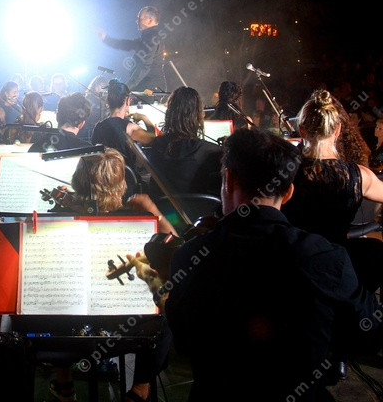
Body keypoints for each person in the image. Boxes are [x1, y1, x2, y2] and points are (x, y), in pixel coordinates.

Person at [129, 127, 383, 401]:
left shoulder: (190, 255)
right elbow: (368, 333)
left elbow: (185, 342)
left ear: (228, 180)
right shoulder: (325, 257)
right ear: (288, 193)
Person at [48, 147, 177, 402]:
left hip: (67, 333)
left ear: (77, 181)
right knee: (166, 308)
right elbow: (178, 248)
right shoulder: (139, 217)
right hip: (127, 328)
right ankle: (140, 389)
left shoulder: (57, 217)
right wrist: (153, 210)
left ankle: (64, 382)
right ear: (121, 185)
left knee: (53, 293)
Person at [281, 89, 383, 294]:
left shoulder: (283, 174)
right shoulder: (359, 175)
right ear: (337, 130)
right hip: (338, 266)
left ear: (301, 130)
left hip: (292, 270)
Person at [148, 86, 222, 198]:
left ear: (170, 113)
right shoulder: (210, 151)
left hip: (163, 207)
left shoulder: (158, 144)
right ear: (197, 115)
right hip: (199, 209)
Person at [98, 6, 168, 92]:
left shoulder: (151, 37)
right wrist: (106, 39)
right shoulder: (147, 37)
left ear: (149, 20)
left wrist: (126, 88)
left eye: (139, 18)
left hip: (150, 88)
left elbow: (145, 65)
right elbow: (127, 44)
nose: (137, 21)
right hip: (147, 86)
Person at [91, 79, 156, 172]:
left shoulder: (98, 126)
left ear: (108, 101)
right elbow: (153, 140)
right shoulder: (131, 128)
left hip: (104, 176)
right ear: (128, 101)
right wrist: (144, 118)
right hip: (125, 177)